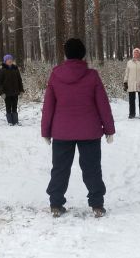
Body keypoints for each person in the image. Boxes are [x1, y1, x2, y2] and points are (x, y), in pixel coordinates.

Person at [41, 39, 115, 218]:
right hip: (89, 130)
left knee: (60, 168)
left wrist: (46, 131)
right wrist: (109, 129)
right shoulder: (92, 75)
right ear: (83, 54)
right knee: (92, 167)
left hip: (61, 131)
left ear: (66, 54)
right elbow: (102, 104)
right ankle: (97, 204)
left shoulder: (56, 74)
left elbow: (49, 105)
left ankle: (56, 204)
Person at [0, 54, 24, 126]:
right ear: (5, 61)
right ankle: (10, 121)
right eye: (8, 60)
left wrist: (21, 90)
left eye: (11, 59)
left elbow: (19, 80)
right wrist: (2, 92)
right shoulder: (1, 70)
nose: (10, 61)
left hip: (15, 91)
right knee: (8, 106)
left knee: (14, 106)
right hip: (6, 92)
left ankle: (15, 121)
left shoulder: (15, 69)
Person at [123, 48, 140, 119]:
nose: (136, 54)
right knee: (131, 100)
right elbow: (126, 73)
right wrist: (125, 82)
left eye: (137, 52)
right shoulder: (129, 62)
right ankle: (132, 114)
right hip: (131, 84)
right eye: (135, 52)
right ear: (133, 54)